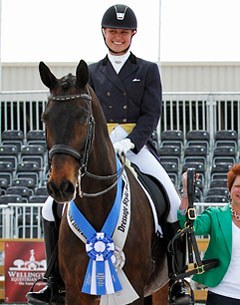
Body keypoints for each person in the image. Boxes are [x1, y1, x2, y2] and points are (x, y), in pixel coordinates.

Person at [26, 4, 190, 304]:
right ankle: (54, 281)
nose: (118, 37)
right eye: (113, 31)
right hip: (96, 147)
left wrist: (132, 141)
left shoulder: (147, 70)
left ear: (133, 35)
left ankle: (177, 280)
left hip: (135, 147)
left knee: (170, 202)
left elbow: (152, 112)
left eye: (123, 32)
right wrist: (101, 139)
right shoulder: (88, 72)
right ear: (104, 33)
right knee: (49, 208)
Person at [179, 163, 240, 305]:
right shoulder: (215, 215)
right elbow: (188, 226)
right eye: (238, 186)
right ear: (230, 189)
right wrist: (187, 191)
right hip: (222, 294)